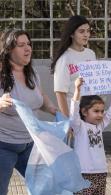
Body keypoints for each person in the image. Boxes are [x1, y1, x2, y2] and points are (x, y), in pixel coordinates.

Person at [0, 29, 57, 195]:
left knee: (45, 188)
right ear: (9, 49)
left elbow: (41, 96)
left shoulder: (31, 73)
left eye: (29, 44)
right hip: (3, 146)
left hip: (30, 145)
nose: (28, 49)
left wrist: (55, 111)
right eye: (21, 45)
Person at [70, 77, 111, 195]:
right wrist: (77, 90)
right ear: (84, 112)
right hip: (83, 173)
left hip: (101, 172)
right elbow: (73, 115)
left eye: (102, 111)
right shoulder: (79, 127)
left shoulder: (100, 125)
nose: (100, 115)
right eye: (96, 111)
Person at [51, 15, 96, 117]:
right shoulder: (64, 58)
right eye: (81, 31)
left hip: (89, 114)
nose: (86, 35)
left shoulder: (91, 54)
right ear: (71, 34)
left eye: (88, 31)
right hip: (73, 114)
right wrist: (67, 121)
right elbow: (60, 93)